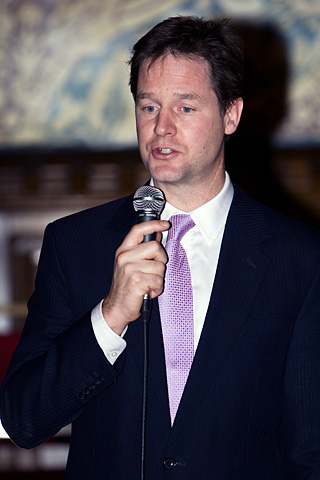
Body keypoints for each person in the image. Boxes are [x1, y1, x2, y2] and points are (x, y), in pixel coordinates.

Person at [1, 15, 320, 479]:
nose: (162, 128)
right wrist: (109, 317)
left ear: (231, 114)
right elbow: (21, 420)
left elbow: (312, 450)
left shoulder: (300, 259)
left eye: (185, 108)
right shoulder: (75, 244)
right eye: (149, 107)